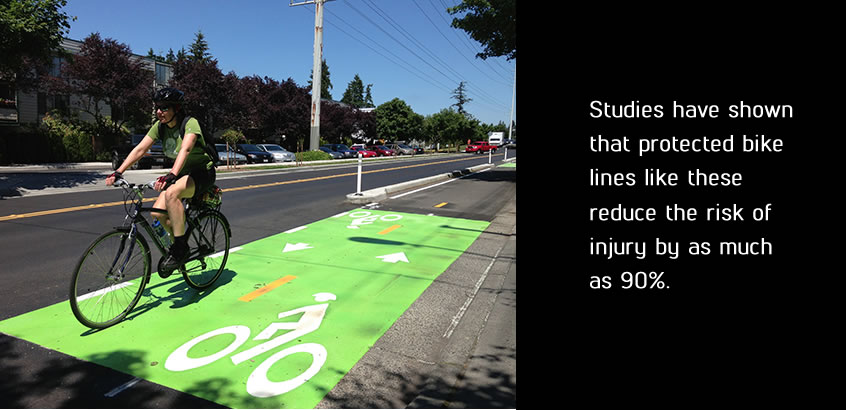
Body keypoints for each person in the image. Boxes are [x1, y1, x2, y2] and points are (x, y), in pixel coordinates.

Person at [106, 87, 215, 277]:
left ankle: (180, 248)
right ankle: (179, 244)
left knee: (172, 193)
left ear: (176, 108)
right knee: (157, 212)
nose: (159, 112)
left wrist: (172, 174)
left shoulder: (190, 123)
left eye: (164, 108)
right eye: (157, 107)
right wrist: (119, 171)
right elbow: (140, 149)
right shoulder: (160, 126)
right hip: (182, 173)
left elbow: (186, 149)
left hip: (202, 172)